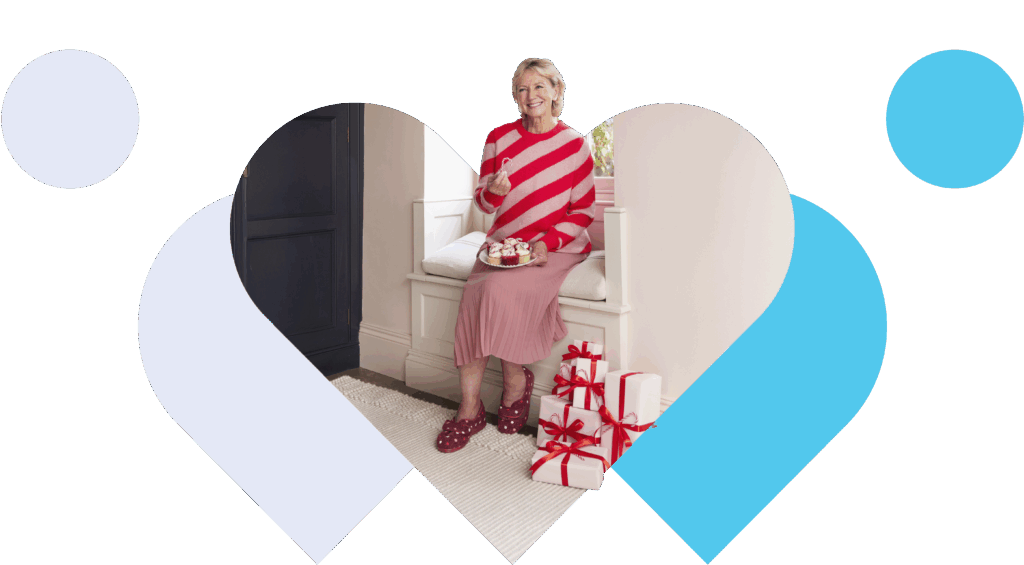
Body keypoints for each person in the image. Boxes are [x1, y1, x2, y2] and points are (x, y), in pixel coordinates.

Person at [436, 57, 597, 453]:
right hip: (504, 242)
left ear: (557, 91)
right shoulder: (497, 138)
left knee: (499, 292)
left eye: (540, 87)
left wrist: (546, 245)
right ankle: (469, 409)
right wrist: (496, 191)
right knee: (476, 295)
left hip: (553, 246)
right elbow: (484, 205)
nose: (531, 96)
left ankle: (514, 384)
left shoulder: (576, 146)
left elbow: (583, 210)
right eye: (523, 89)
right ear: (515, 97)